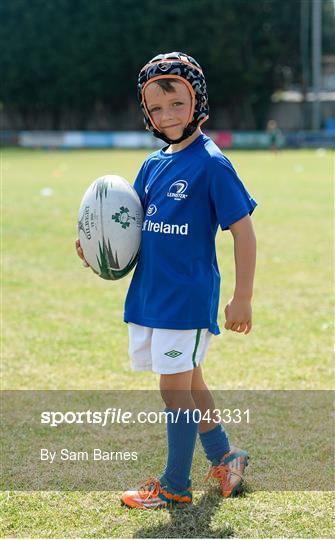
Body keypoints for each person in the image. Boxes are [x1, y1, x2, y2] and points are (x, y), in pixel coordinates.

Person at [76, 51, 257, 509]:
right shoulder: (154, 165)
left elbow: (244, 230)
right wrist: (96, 246)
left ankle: (175, 484)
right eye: (156, 108)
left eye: (176, 103)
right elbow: (126, 224)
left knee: (172, 387)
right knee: (190, 381)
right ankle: (226, 456)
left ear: (197, 101)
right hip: (152, 295)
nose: (167, 115)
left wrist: (242, 297)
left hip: (188, 298)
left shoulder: (212, 163)